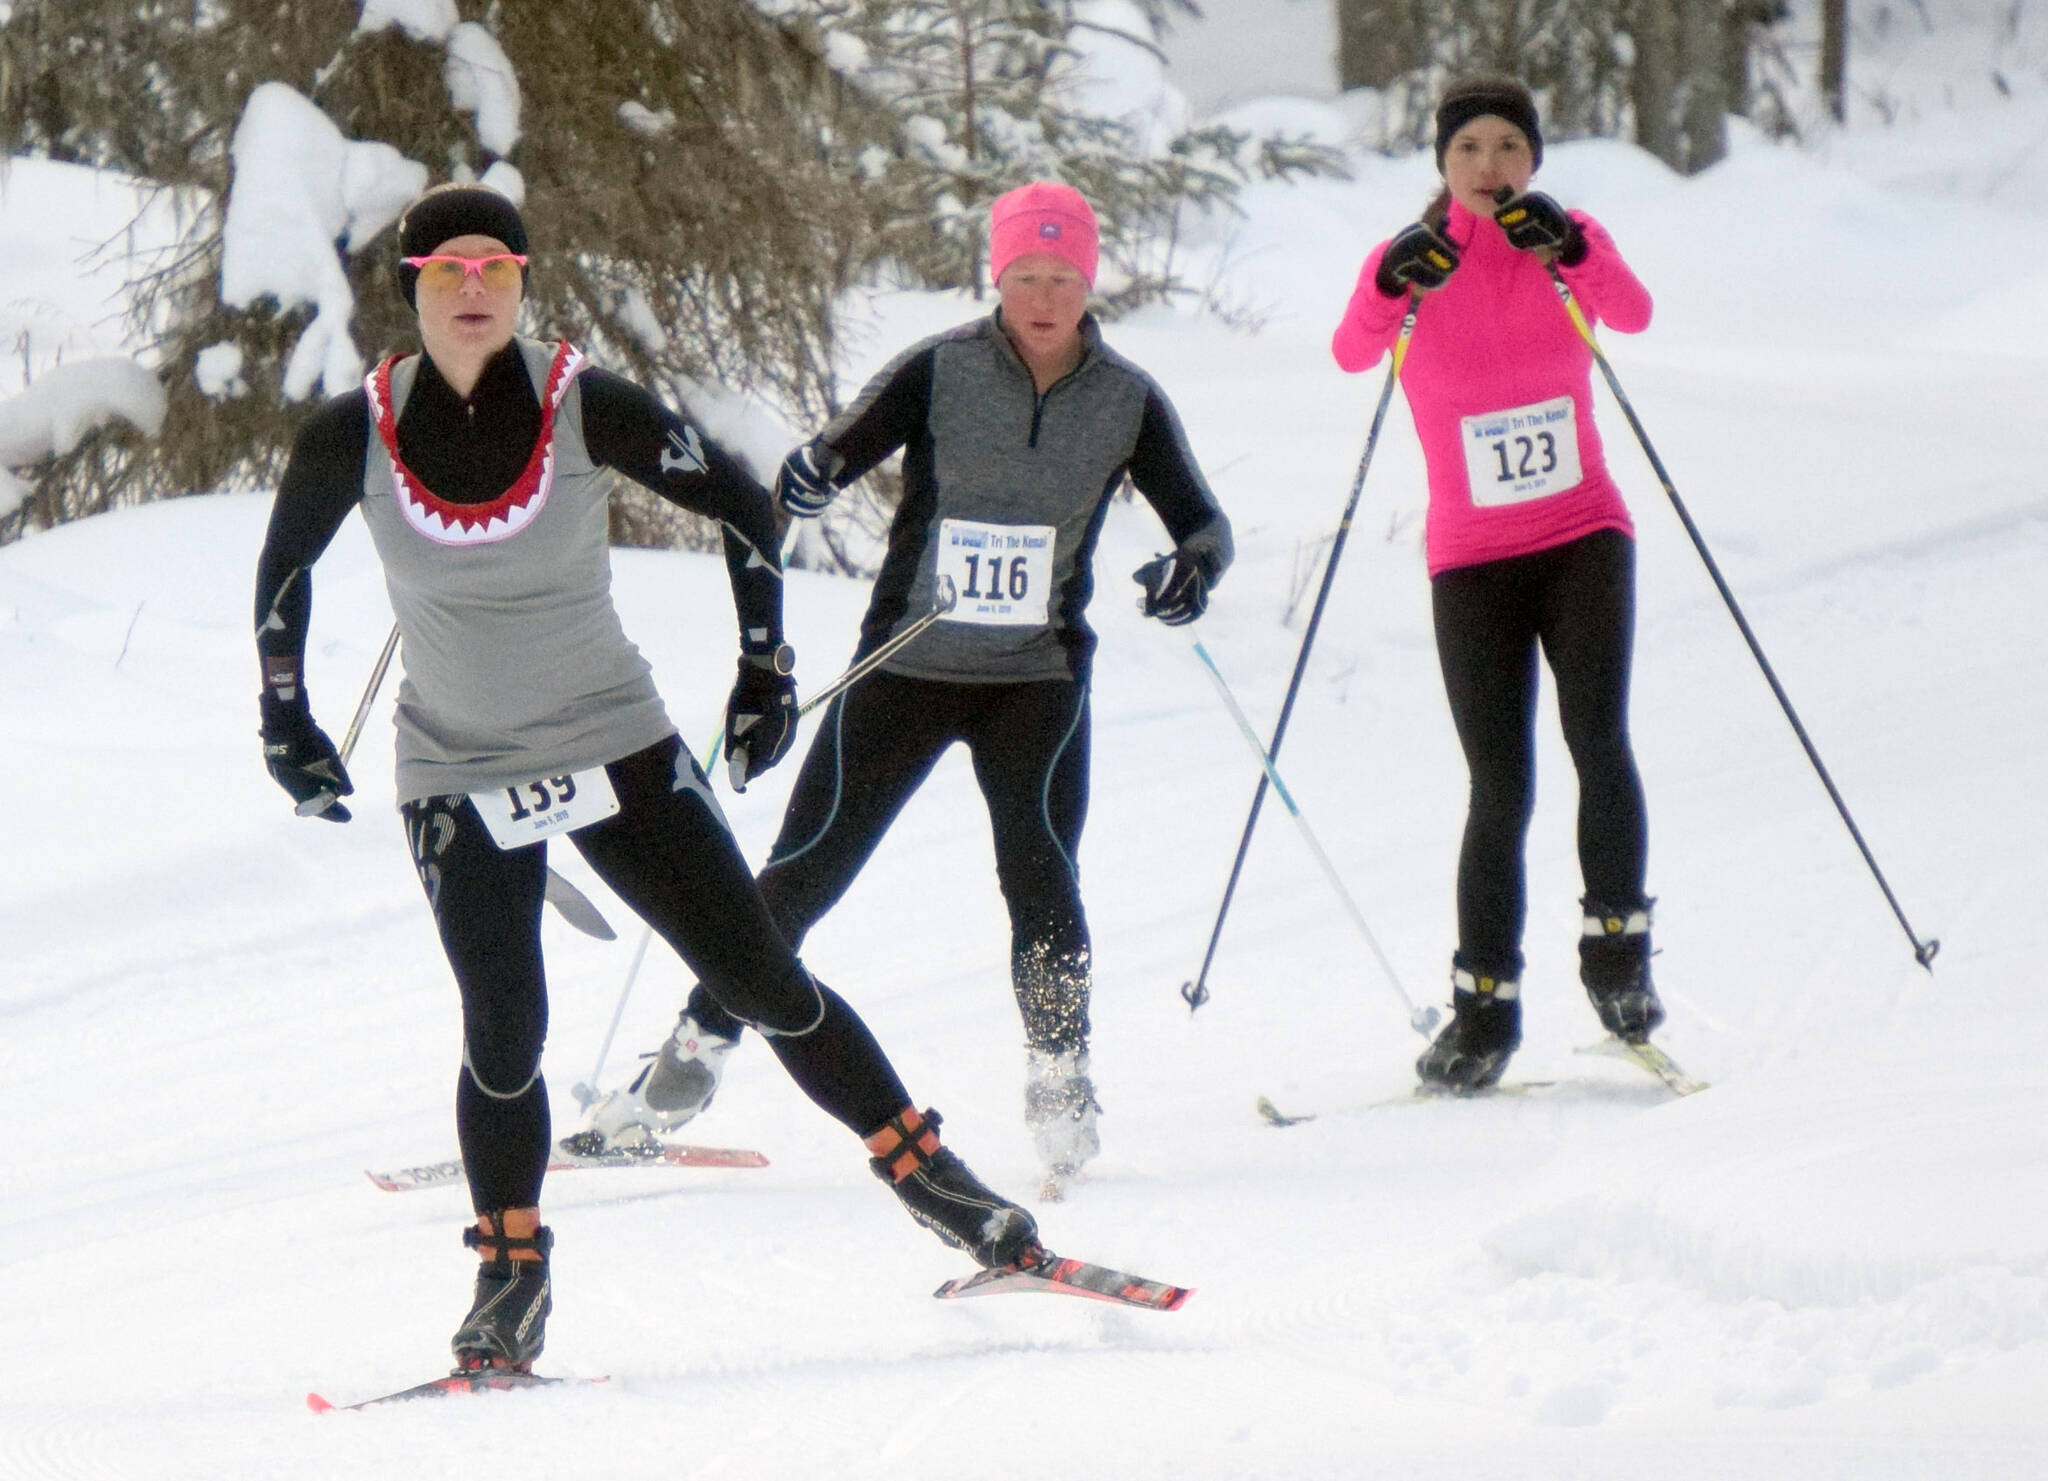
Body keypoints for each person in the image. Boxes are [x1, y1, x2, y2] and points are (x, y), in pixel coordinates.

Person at [252, 182, 1043, 1374]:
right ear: (410, 285)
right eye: (447, 270)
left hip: (614, 742)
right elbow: (282, 570)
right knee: (504, 1023)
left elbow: (736, 502)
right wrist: (286, 717)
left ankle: (936, 1180)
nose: (473, 290)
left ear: (523, 280)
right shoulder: (352, 431)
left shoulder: (582, 402)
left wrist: (763, 667)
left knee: (762, 978)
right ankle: (510, 1273)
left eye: (496, 269)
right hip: (459, 766)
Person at [576, 181, 1233, 1192]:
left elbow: (1202, 522)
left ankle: (1059, 1068)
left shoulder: (1128, 399)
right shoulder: (941, 368)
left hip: (1036, 677)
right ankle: (691, 1056)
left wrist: (1189, 569)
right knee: (799, 874)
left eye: (1063, 277)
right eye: (1025, 276)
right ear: (996, 277)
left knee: (1039, 869)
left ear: (1087, 281)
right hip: (906, 663)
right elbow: (840, 446)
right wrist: (809, 473)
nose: (1045, 295)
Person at [1330, 77, 1662, 1093]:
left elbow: (1632, 314)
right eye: (1468, 145)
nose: (1488, 165)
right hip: (1470, 557)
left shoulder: (1563, 240)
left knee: (1595, 737)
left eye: (1508, 145)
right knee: (1499, 783)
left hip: (1580, 532)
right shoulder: (1416, 261)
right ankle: (1483, 1011)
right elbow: (1351, 352)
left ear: (1533, 159)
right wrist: (1391, 280)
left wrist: (1573, 248)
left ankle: (1617, 959)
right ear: (1440, 161)